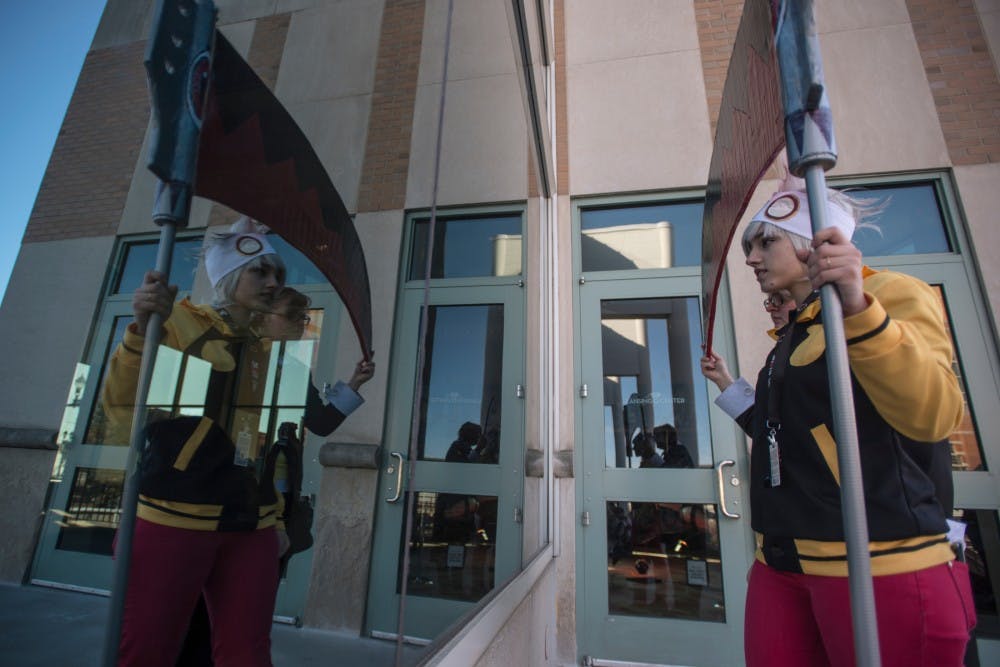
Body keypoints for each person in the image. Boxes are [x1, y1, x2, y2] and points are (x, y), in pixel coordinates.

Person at [105, 218, 373, 667]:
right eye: (260, 272)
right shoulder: (181, 323)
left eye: (278, 276)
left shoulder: (279, 358)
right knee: (147, 650)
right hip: (173, 518)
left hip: (253, 524)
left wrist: (280, 520)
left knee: (247, 653)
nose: (272, 283)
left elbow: (314, 424)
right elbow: (122, 408)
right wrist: (140, 330)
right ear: (229, 276)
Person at [733, 183, 974, 666]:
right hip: (782, 558)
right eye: (749, 247)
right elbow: (785, 433)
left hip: (876, 561)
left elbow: (933, 414)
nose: (752, 259)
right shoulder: (795, 328)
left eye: (766, 242)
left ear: (812, 242)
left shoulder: (888, 294)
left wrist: (860, 308)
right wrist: (726, 385)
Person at [700, 291, 795, 432]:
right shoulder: (781, 352)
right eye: (770, 301)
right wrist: (723, 380)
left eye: (780, 299)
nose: (770, 308)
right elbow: (762, 424)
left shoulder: (829, 345)